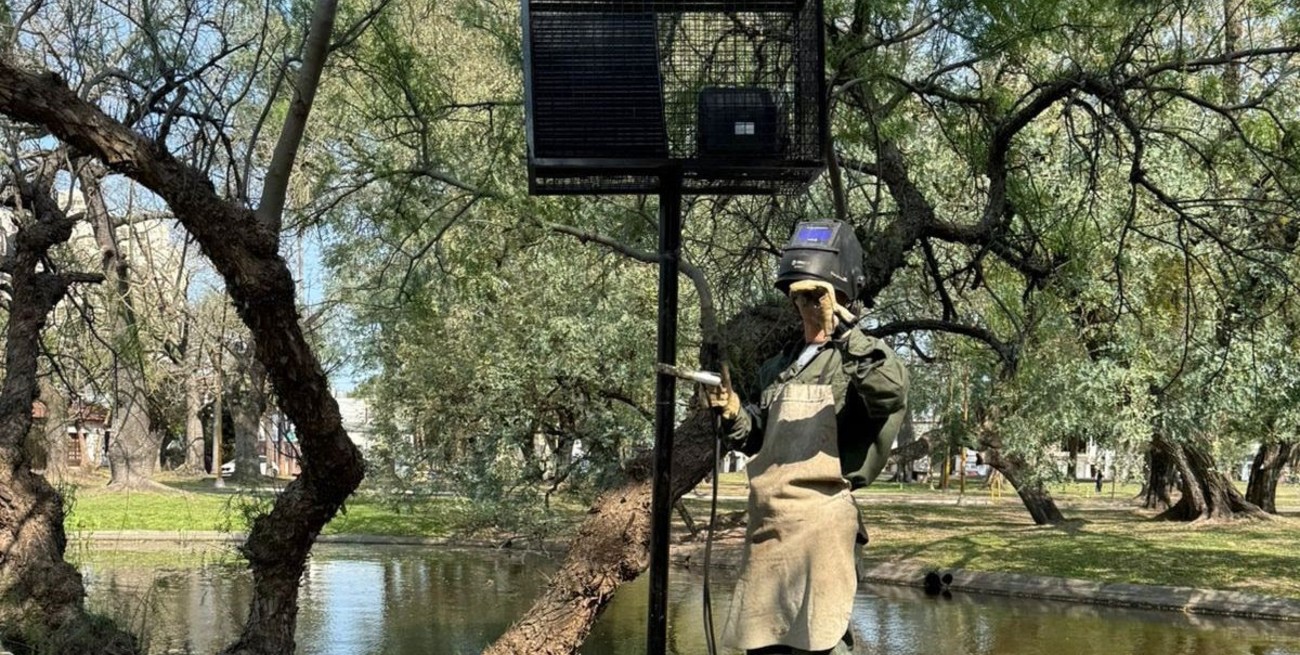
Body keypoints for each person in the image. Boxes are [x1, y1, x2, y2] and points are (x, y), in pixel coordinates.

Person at [705, 220, 909, 655]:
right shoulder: (778, 366)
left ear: (841, 295)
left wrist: (845, 331)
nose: (805, 305)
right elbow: (760, 439)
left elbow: (890, 393)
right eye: (798, 296)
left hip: (822, 527)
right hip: (771, 529)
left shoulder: (860, 357)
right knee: (764, 642)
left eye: (815, 294)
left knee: (821, 642)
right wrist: (733, 411)